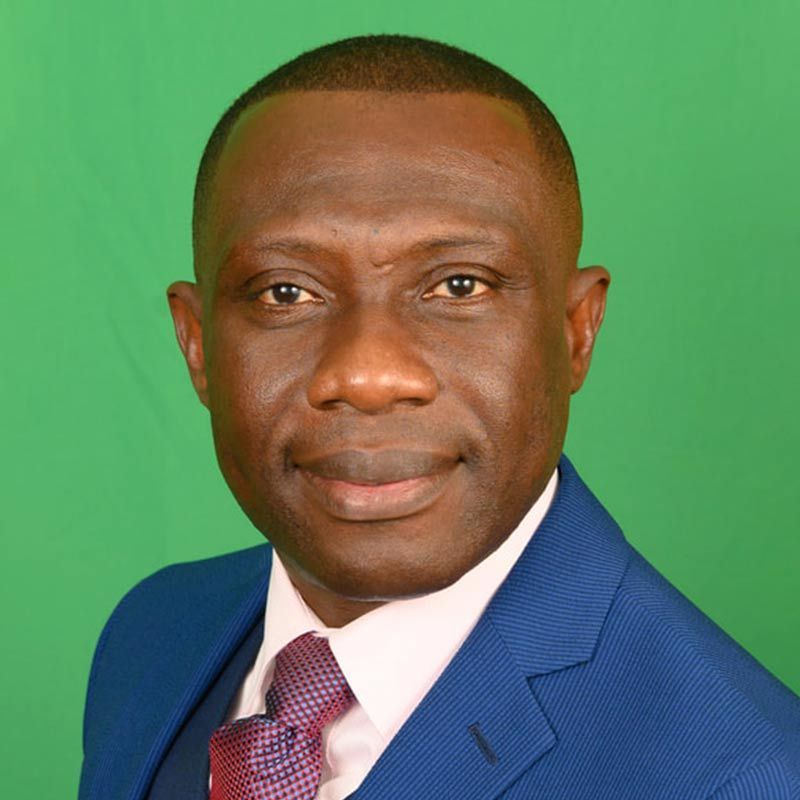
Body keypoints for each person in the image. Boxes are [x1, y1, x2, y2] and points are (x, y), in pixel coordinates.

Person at [78, 34, 800, 800]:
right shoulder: (152, 637)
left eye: (460, 285)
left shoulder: (742, 776)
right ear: (197, 346)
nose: (368, 375)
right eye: (285, 292)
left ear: (576, 332)